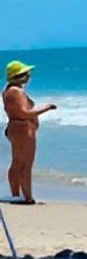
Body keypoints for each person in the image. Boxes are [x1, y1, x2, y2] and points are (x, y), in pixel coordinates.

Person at [4, 61, 54, 204]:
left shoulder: (9, 90)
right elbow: (24, 113)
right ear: (19, 76)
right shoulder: (16, 92)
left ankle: (19, 195)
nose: (29, 76)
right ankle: (26, 197)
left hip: (18, 128)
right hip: (22, 129)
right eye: (26, 74)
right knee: (24, 164)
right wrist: (46, 108)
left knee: (18, 163)